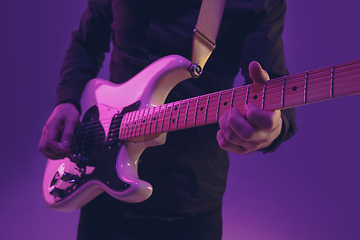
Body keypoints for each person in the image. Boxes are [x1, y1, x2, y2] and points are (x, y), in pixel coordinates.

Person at [39, 0, 297, 239]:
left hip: (188, 201)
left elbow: (274, 89)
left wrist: (273, 128)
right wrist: (68, 100)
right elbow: (86, 43)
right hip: (101, 183)